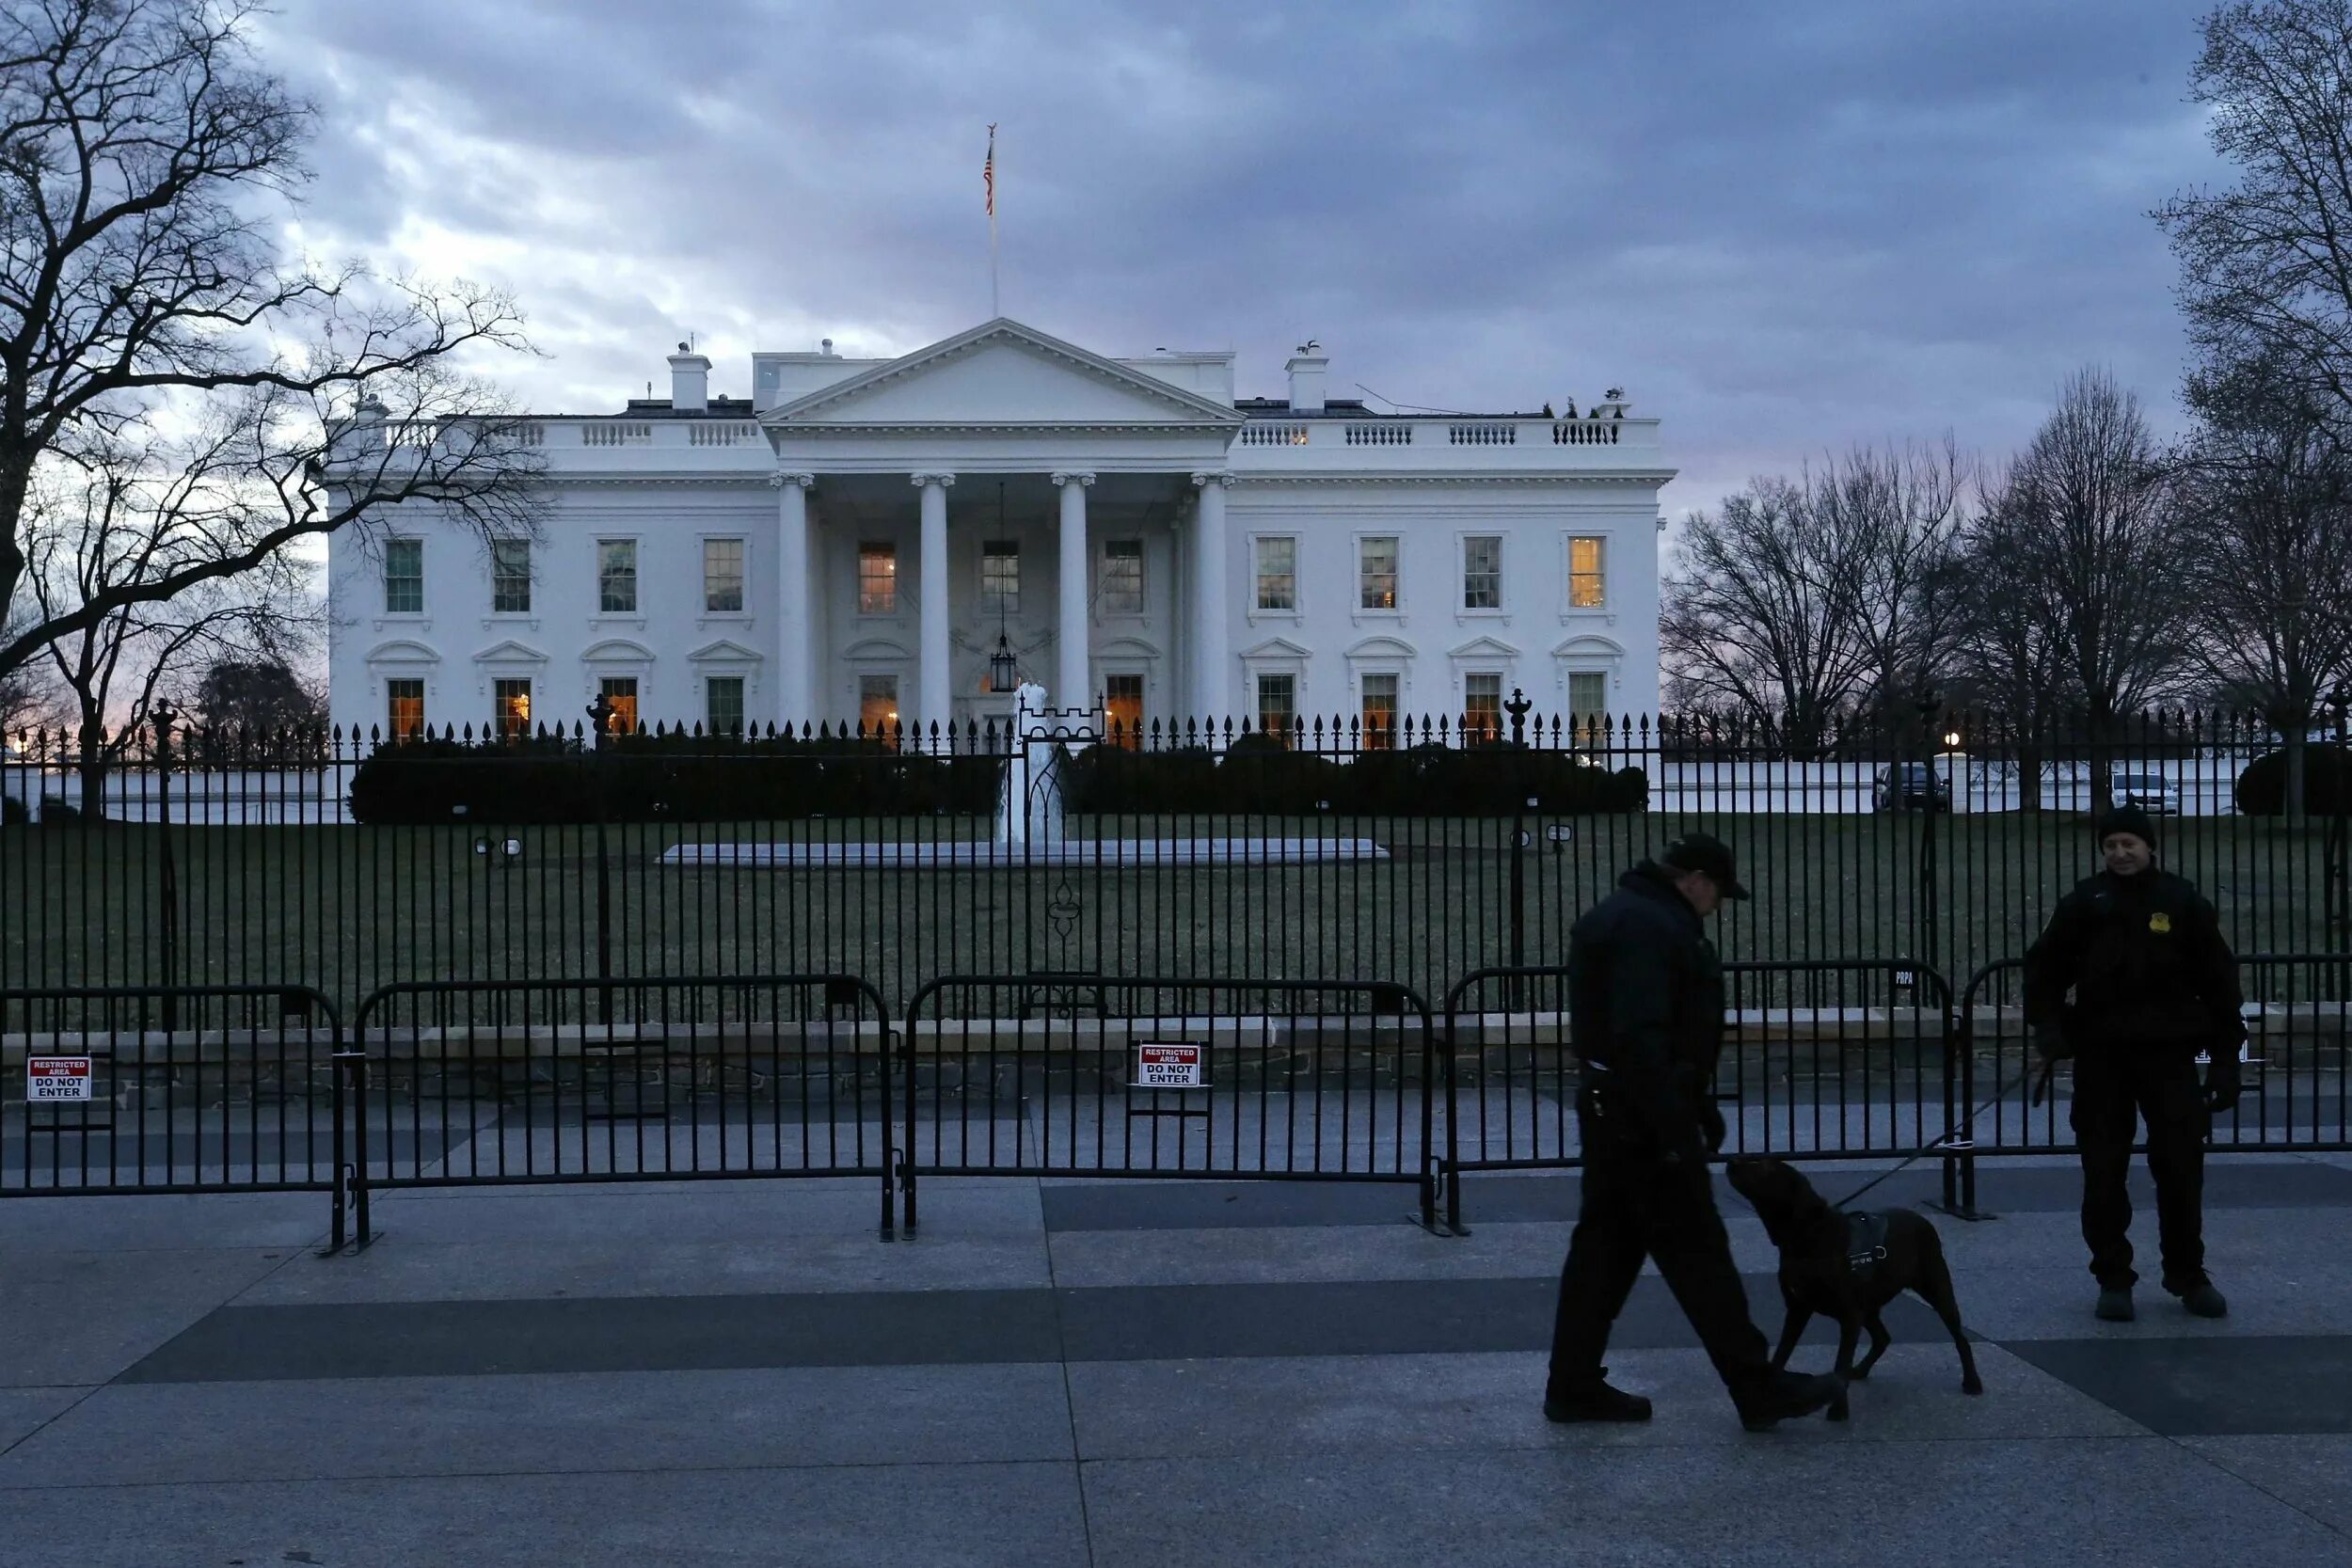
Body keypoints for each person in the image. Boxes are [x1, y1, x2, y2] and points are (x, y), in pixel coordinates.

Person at [1546, 832, 1842, 1431]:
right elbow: (1647, 1037)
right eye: (1720, 894)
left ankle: (1572, 1384)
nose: (1719, 907)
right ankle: (1756, 1388)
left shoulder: (1622, 916)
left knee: (1602, 1253)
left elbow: (1638, 1037)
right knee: (1698, 1253)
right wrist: (1678, 1123)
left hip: (1612, 1110)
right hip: (1644, 1118)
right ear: (1696, 880)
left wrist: (1691, 1103)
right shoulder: (1655, 929)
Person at [2024, 805, 2243, 1323]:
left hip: (2169, 1056)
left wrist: (2226, 1061)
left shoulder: (2183, 901)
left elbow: (2219, 985)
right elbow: (2045, 968)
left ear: (2150, 848)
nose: (2120, 854)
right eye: (2111, 845)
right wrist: (2049, 1029)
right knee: (2104, 1173)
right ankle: (2113, 1276)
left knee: (2181, 1171)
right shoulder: (2084, 901)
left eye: (2129, 844)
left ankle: (2188, 1274)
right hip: (2102, 1056)